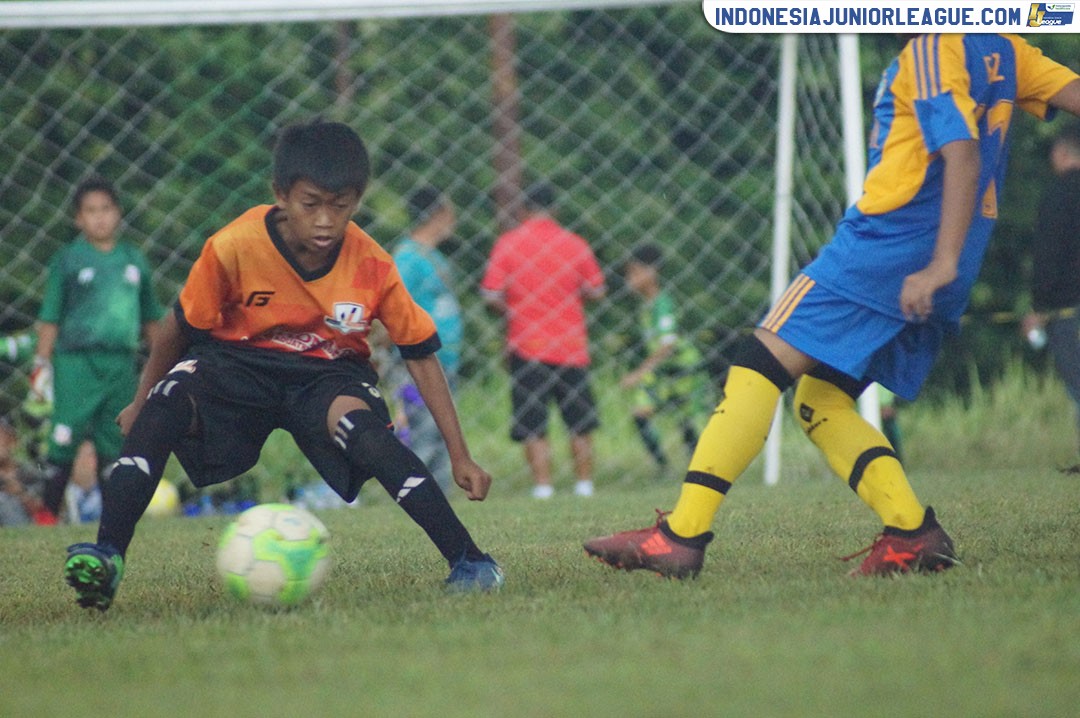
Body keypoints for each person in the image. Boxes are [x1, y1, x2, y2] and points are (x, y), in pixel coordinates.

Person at [584, 34, 1080, 578]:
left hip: (889, 248)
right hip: (948, 252)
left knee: (756, 367)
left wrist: (938, 262)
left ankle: (681, 536)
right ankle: (913, 532)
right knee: (821, 400)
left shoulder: (936, 45)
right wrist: (948, 262)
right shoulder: (1006, 47)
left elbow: (959, 152)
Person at [63, 120, 503, 611]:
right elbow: (177, 328)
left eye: (340, 207)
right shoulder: (233, 246)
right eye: (310, 203)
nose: (324, 221)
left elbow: (419, 353)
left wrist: (459, 455)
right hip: (236, 363)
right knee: (166, 405)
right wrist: (140, 400)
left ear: (357, 201)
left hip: (327, 372)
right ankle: (106, 557)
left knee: (364, 429)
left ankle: (470, 560)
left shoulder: (372, 265)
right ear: (281, 195)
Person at [33, 176, 164, 523]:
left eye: (106, 209)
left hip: (120, 364)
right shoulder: (69, 260)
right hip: (76, 362)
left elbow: (152, 318)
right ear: (79, 218)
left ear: (118, 213)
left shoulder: (134, 261)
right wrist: (41, 364)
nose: (100, 217)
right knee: (65, 435)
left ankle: (115, 519)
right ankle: (47, 515)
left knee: (115, 439)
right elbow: (50, 317)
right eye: (91, 211)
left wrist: (164, 360)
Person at [480, 182, 606, 499]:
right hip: (571, 345)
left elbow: (490, 293)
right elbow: (596, 289)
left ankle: (543, 486)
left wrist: (515, 308)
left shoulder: (508, 244)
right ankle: (584, 484)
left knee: (533, 421)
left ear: (524, 209)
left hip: (527, 343)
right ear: (556, 209)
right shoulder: (574, 243)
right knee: (579, 420)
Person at [391, 186, 464, 494]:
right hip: (419, 360)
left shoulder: (432, 256)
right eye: (450, 211)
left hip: (445, 358)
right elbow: (393, 306)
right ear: (438, 214)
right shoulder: (407, 258)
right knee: (423, 430)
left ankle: (440, 498)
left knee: (441, 434)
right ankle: (417, 496)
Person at [620, 243, 711, 472]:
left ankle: (699, 468)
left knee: (686, 421)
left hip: (682, 368)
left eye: (633, 273)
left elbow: (667, 345)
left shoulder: (663, 303)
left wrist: (639, 373)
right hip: (661, 371)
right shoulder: (646, 305)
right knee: (641, 413)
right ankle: (664, 467)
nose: (628, 280)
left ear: (650, 272)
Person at [1021, 124, 1080, 454]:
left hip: (1069, 310)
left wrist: (1039, 309)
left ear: (1061, 154)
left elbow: (1048, 256)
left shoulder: (1058, 196)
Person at [0, 417, 49, 527]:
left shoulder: (30, 473)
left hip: (27, 533)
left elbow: (46, 511)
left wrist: (19, 492)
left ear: (12, 441)